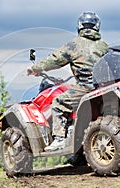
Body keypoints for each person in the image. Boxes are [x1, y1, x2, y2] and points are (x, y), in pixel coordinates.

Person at [27, 12, 109, 151]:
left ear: (79, 26)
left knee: (58, 103)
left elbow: (55, 60)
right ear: (97, 27)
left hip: (86, 87)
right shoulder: (104, 45)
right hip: (104, 87)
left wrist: (34, 68)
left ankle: (59, 139)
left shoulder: (74, 45)